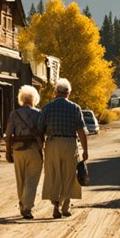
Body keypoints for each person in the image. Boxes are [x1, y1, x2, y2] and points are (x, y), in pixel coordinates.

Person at [37, 78, 89, 218]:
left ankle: (55, 205)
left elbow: (40, 129)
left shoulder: (47, 108)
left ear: (55, 92)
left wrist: (40, 146)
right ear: (68, 93)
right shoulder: (75, 108)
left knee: (53, 174)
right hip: (70, 143)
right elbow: (81, 131)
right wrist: (85, 150)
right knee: (69, 175)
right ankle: (65, 207)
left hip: (52, 143)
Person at [4, 85, 44, 219]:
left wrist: (8, 151)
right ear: (34, 99)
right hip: (34, 150)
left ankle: (22, 203)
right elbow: (43, 132)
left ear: (21, 99)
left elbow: (8, 135)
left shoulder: (14, 114)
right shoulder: (39, 114)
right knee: (32, 179)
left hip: (18, 149)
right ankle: (27, 207)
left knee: (20, 179)